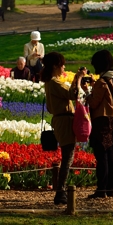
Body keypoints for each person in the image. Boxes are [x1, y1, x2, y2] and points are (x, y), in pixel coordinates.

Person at [42, 52, 83, 205]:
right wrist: (77, 78)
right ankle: (60, 192)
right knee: (67, 157)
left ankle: (61, 190)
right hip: (64, 121)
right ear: (55, 66)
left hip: (62, 120)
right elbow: (73, 94)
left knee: (68, 156)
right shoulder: (54, 82)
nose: (64, 67)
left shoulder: (52, 82)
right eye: (62, 64)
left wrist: (77, 80)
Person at [81, 49, 113, 199]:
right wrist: (94, 86)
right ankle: (110, 188)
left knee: (102, 156)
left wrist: (86, 91)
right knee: (110, 155)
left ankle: (101, 189)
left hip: (102, 122)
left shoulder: (102, 82)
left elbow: (93, 102)